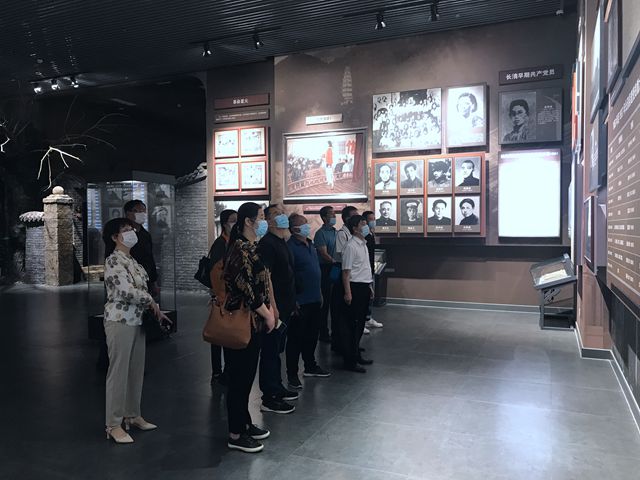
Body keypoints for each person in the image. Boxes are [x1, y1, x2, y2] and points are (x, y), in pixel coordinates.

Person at [102, 217, 171, 444]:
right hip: (120, 320)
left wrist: (152, 304)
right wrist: (150, 300)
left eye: (131, 228)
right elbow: (126, 291)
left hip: (137, 320)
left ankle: (132, 414)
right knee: (119, 372)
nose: (131, 232)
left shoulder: (133, 260)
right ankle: (113, 424)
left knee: (135, 370)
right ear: (115, 237)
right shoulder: (113, 261)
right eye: (125, 229)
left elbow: (141, 286)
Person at [223, 202, 276, 453]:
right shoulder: (238, 248)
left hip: (254, 322)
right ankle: (235, 433)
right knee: (238, 379)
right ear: (248, 221)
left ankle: (244, 422)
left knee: (246, 377)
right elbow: (246, 288)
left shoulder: (252, 247)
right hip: (242, 320)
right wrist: (266, 313)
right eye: (261, 217)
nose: (263, 221)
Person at [257, 204, 298, 413]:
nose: (282, 216)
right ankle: (269, 396)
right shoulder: (267, 244)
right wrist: (273, 307)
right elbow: (267, 278)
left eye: (283, 213)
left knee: (277, 350)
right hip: (276, 307)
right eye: (276, 214)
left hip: (286, 304)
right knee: (270, 351)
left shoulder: (282, 241)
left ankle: (277, 386)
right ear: (268, 220)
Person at [286, 214, 332, 390]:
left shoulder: (310, 244)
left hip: (314, 298)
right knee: (295, 339)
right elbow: (289, 277)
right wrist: (293, 300)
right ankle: (292, 374)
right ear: (294, 228)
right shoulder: (290, 247)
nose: (307, 226)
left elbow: (315, 271)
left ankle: (310, 365)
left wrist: (319, 293)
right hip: (301, 301)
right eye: (303, 224)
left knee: (312, 336)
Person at [208, 209, 237, 386]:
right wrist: (219, 293)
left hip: (231, 295)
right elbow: (215, 271)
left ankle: (228, 369)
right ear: (225, 223)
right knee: (218, 333)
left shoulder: (234, 242)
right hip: (222, 295)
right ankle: (217, 371)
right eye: (233, 220)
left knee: (228, 332)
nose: (235, 223)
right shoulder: (220, 244)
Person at [341, 215, 374, 373]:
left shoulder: (363, 244)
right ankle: (350, 360)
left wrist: (369, 286)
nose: (366, 226)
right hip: (354, 287)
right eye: (363, 224)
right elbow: (346, 273)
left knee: (360, 324)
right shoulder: (351, 246)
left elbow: (364, 268)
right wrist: (348, 293)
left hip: (364, 286)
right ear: (355, 228)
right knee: (352, 325)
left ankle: (356, 354)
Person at [332, 206, 358, 352]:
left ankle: (350, 343)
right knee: (340, 312)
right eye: (354, 216)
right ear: (347, 218)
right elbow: (344, 255)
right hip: (342, 274)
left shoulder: (353, 234)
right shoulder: (342, 234)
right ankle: (340, 343)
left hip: (352, 275)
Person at [124, 200, 159, 297]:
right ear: (128, 213)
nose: (141, 214)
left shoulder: (146, 235)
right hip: (127, 279)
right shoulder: (122, 234)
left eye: (143, 211)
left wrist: (154, 282)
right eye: (137, 211)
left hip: (145, 278)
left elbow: (150, 258)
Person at [313, 206, 337, 343]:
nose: (334, 216)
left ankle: (336, 332)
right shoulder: (320, 234)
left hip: (336, 268)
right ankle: (323, 332)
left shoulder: (336, 232)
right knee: (325, 302)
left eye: (334, 214)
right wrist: (335, 261)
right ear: (324, 217)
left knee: (335, 301)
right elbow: (323, 253)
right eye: (331, 214)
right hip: (325, 269)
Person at [362, 211, 382, 330]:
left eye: (374, 219)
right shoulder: (363, 235)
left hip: (370, 268)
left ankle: (368, 318)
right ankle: (362, 321)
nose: (373, 221)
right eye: (370, 219)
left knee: (370, 295)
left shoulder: (371, 233)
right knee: (364, 296)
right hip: (364, 269)